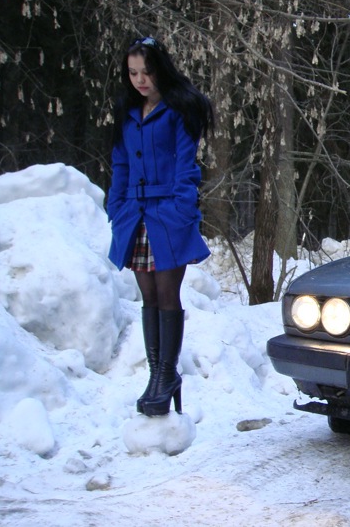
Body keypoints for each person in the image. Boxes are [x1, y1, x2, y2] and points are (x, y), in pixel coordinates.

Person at [106, 36, 214, 417]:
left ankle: (167, 374)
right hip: (134, 216)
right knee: (148, 297)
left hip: (168, 216)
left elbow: (187, 166)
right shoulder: (128, 111)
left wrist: (181, 209)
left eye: (147, 71)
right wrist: (115, 206)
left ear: (160, 69)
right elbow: (120, 164)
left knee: (168, 296)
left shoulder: (178, 110)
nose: (140, 79)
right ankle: (156, 377)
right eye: (133, 72)